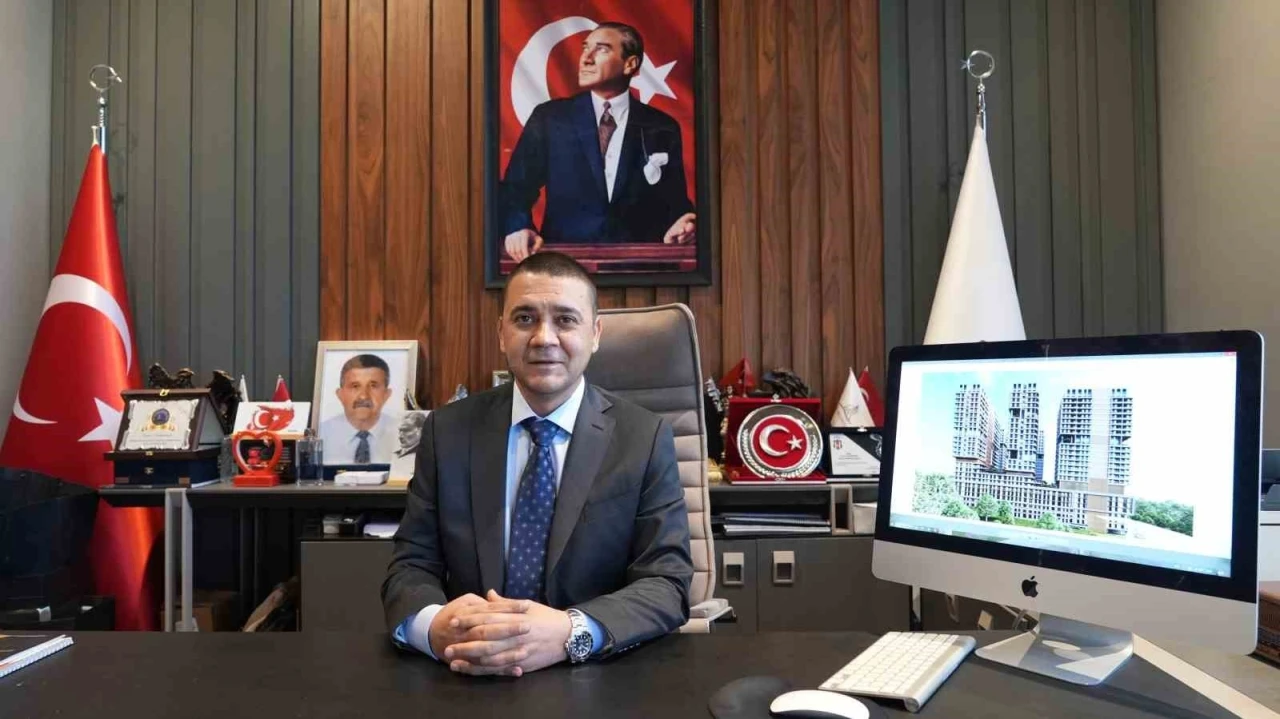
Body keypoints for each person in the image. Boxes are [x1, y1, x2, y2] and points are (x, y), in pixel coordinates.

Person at [382, 251, 693, 676]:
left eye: (565, 320)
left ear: (595, 334)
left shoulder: (644, 437)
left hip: (596, 677)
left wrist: (571, 631)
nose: (544, 338)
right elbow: (411, 565)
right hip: (469, 672)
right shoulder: (448, 432)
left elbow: (666, 583)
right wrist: (434, 627)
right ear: (501, 333)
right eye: (525, 318)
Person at [500, 22, 696, 261]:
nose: (586, 58)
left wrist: (684, 223)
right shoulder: (549, 118)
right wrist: (518, 227)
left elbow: (675, 202)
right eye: (585, 48)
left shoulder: (663, 126)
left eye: (601, 49)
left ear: (630, 64)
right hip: (563, 264)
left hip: (640, 266)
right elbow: (515, 190)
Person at [318, 354, 399, 464]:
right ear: (340, 394)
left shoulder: (403, 436)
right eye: (355, 386)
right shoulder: (320, 435)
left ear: (386, 394)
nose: (363, 396)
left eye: (373, 386)